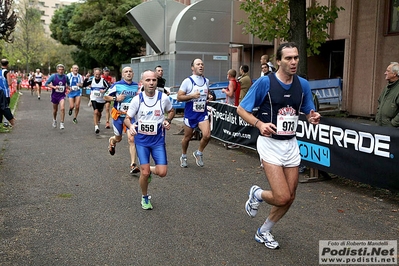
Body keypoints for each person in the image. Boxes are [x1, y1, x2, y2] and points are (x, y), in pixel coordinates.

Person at [237, 42, 321, 250]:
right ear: (278, 61)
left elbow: (309, 111)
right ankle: (257, 194)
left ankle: (264, 231)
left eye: (296, 58)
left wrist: (313, 117)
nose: (293, 62)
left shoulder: (303, 85)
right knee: (282, 196)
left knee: (289, 197)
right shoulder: (265, 83)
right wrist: (259, 123)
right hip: (269, 144)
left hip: (290, 144)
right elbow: (241, 109)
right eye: (288, 58)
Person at [124, 70, 175, 210]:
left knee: (163, 172)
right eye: (148, 80)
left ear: (157, 82)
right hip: (142, 141)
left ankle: (148, 170)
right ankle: (145, 197)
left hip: (158, 141)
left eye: (153, 80)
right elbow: (127, 119)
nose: (151, 83)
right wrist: (131, 127)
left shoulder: (163, 98)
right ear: (142, 82)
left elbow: (171, 111)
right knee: (144, 173)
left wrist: (167, 120)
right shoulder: (137, 100)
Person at [104, 66, 140, 174]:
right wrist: (116, 98)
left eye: (130, 71)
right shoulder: (116, 85)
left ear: (133, 74)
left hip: (131, 117)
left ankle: (133, 165)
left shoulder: (136, 86)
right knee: (118, 138)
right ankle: (112, 141)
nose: (128, 73)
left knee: (132, 139)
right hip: (119, 116)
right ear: (122, 74)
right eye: (126, 72)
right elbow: (105, 96)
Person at [177, 58, 212, 168]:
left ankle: (199, 152)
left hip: (202, 113)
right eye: (198, 64)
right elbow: (179, 97)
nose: (201, 66)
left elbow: (206, 93)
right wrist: (192, 96)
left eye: (202, 64)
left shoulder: (206, 81)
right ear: (193, 68)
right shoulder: (187, 81)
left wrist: (209, 96)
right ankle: (183, 155)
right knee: (187, 137)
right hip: (190, 113)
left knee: (207, 135)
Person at [83, 68, 109, 134]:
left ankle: (98, 121)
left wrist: (104, 90)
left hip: (101, 99)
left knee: (99, 113)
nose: (97, 76)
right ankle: (96, 126)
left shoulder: (103, 81)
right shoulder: (92, 80)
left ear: (100, 74)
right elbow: (84, 85)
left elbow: (109, 87)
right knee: (95, 111)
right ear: (94, 74)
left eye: (98, 74)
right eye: (96, 74)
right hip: (94, 98)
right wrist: (86, 78)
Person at [45, 64, 70, 130]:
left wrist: (69, 88)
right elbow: (46, 84)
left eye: (62, 69)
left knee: (62, 108)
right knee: (55, 110)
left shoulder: (65, 77)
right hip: (54, 95)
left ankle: (62, 123)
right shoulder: (53, 76)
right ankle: (54, 119)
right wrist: (54, 87)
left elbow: (68, 84)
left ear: (64, 70)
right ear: (57, 70)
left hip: (62, 96)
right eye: (59, 69)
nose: (61, 71)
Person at [375, 62, 399, 127]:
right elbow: (380, 102)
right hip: (381, 126)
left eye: (388, 71)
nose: (385, 73)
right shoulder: (387, 87)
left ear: (394, 74)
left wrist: (392, 124)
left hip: (392, 130)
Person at [0, 59, 15, 126]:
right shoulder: (7, 72)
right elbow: (9, 83)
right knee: (6, 107)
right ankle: (6, 122)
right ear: (7, 64)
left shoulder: (0, 71)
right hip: (5, 92)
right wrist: (12, 81)